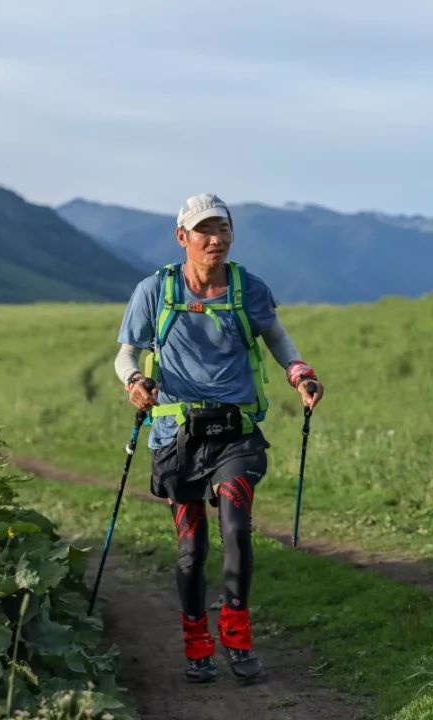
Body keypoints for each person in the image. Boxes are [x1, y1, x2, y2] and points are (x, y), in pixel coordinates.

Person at [114, 193, 324, 682]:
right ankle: (195, 640)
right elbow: (125, 356)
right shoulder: (155, 291)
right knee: (191, 548)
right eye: (204, 230)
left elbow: (276, 337)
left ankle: (237, 631)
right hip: (175, 436)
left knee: (235, 525)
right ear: (181, 237)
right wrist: (135, 383)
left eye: (223, 229)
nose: (215, 238)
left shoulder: (247, 288)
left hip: (236, 432)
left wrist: (300, 373)